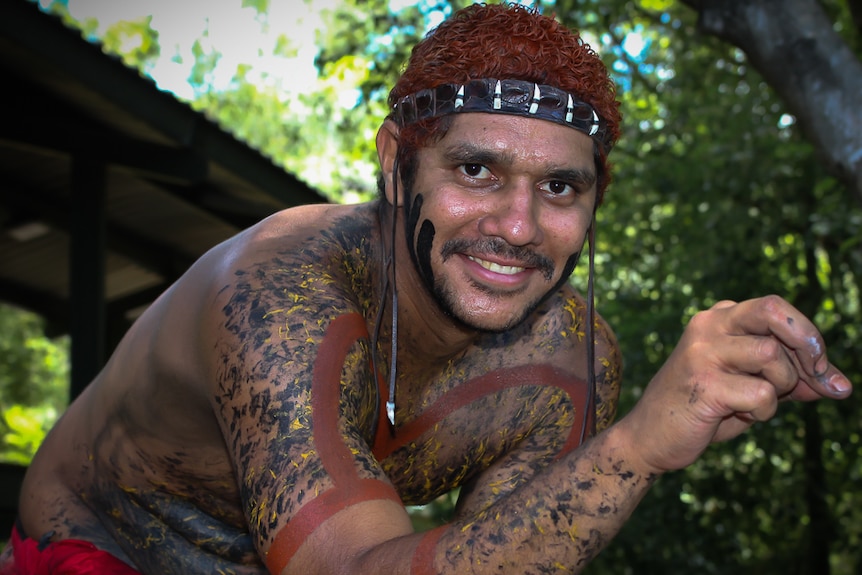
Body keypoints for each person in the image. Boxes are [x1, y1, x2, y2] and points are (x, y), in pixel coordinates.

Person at [0, 3, 852, 574]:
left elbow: (505, 555)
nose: (518, 227)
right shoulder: (279, 293)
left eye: (561, 188)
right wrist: (635, 448)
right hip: (101, 550)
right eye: (476, 168)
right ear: (395, 162)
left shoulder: (569, 361)